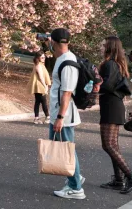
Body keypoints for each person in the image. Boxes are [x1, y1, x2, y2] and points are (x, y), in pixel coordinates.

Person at [97, 36, 132, 194]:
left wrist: (96, 84)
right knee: (113, 145)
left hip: (111, 106)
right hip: (114, 105)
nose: (101, 46)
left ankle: (131, 177)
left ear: (109, 46)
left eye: (103, 44)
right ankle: (118, 180)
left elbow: (108, 85)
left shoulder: (109, 64)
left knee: (108, 145)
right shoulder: (117, 64)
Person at [47, 28, 86, 200]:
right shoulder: (62, 59)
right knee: (65, 148)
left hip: (64, 115)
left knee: (66, 150)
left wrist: (60, 118)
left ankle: (76, 187)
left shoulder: (68, 62)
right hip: (59, 112)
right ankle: (75, 178)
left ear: (53, 42)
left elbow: (67, 93)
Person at [29, 52, 52, 124]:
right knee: (43, 101)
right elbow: (41, 77)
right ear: (38, 58)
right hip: (40, 86)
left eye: (44, 57)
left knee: (38, 102)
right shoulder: (38, 65)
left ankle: (36, 118)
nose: (44, 59)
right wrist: (45, 86)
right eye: (42, 57)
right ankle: (47, 117)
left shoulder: (40, 64)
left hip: (38, 86)